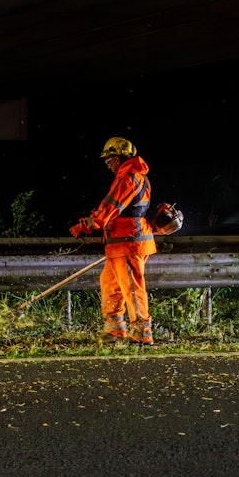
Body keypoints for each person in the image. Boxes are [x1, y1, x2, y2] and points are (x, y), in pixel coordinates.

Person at [70, 137, 157, 345]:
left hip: (129, 243)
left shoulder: (127, 177)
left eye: (109, 161)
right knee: (110, 284)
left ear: (119, 158)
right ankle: (114, 330)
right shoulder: (135, 176)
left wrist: (84, 225)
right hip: (121, 243)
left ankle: (142, 333)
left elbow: (107, 211)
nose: (107, 165)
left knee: (132, 289)